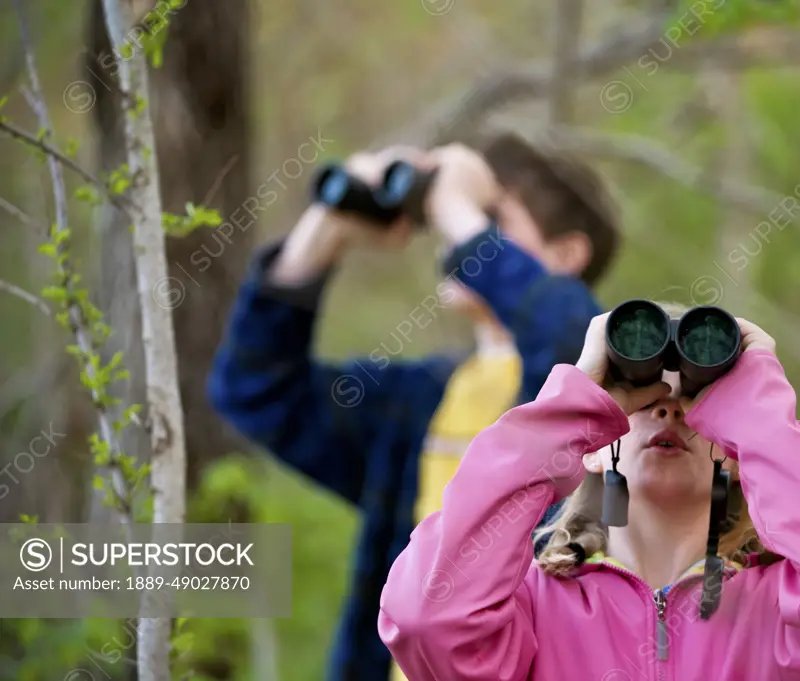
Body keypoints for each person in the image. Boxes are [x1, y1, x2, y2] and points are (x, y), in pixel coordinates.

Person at [207, 133, 621, 681]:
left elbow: (573, 344)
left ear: (567, 255)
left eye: (491, 217)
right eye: (456, 218)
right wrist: (328, 228)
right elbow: (255, 388)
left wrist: (452, 204)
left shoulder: (608, 408)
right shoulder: (419, 401)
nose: (454, 237)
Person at [379, 308, 800, 681]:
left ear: (735, 455)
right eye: (642, 402)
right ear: (593, 445)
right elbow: (428, 618)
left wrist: (760, 412)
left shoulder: (784, 616)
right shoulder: (526, 612)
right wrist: (569, 407)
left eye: (693, 399)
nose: (669, 409)